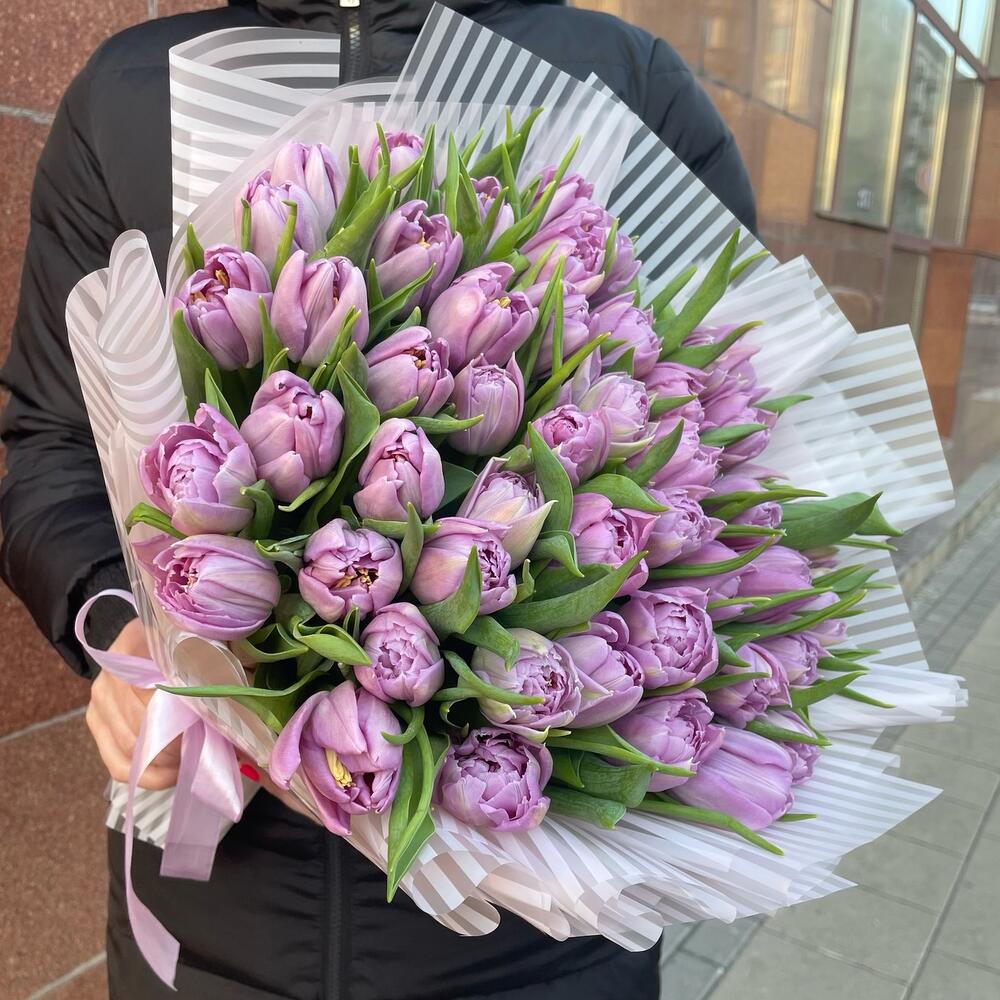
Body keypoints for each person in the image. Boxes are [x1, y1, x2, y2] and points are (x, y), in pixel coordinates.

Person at [0, 2, 756, 997]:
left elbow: (725, 435)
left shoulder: (620, 82)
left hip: (536, 923)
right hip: (211, 896)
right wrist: (118, 621)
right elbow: (50, 441)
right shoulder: (137, 88)